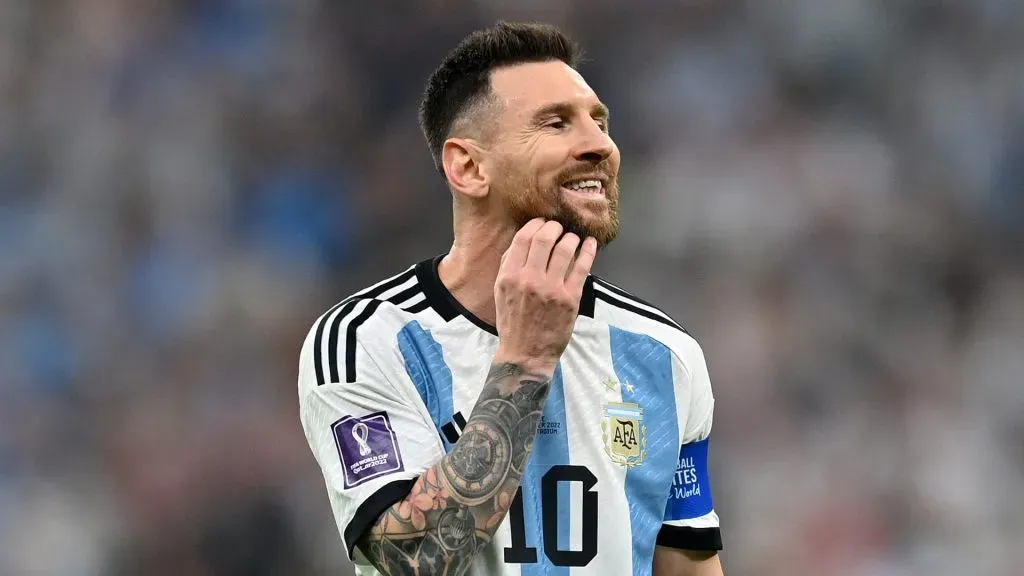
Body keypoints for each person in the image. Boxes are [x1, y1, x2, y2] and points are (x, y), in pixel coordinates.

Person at [298, 21, 724, 576]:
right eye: (555, 123)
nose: (599, 144)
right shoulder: (367, 340)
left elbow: (689, 567)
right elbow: (411, 559)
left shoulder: (666, 354)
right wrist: (525, 359)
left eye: (600, 122)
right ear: (469, 167)